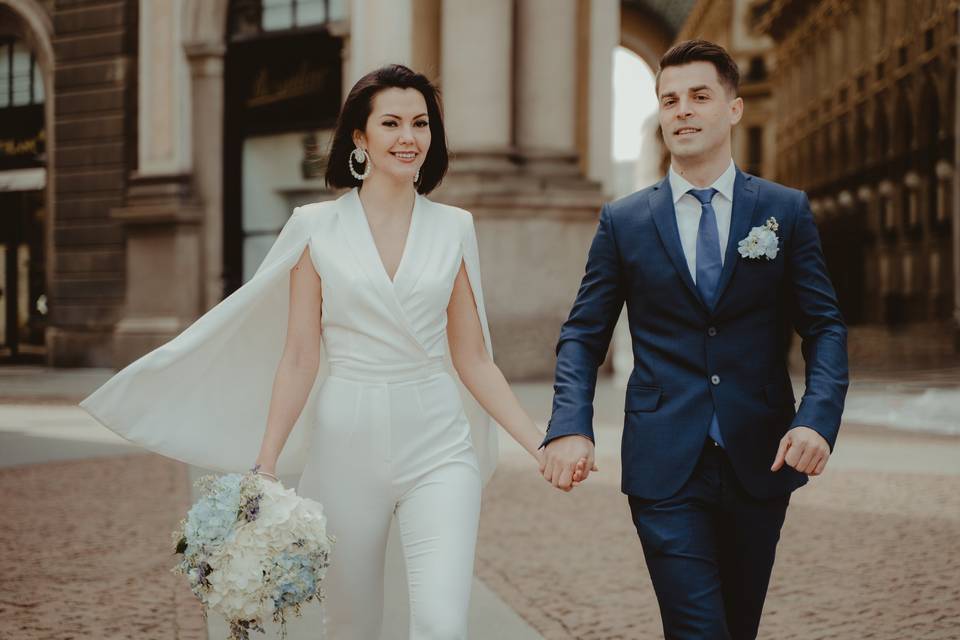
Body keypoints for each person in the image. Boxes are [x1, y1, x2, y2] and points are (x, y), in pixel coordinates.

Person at [80, 64, 582, 639]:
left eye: (420, 123)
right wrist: (265, 466)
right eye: (390, 123)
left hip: (440, 447)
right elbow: (299, 356)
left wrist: (539, 442)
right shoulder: (316, 227)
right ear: (360, 139)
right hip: (346, 448)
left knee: (443, 625)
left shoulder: (454, 227)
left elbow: (473, 357)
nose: (409, 137)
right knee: (351, 625)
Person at [539, 40, 849, 639]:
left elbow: (825, 326)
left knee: (737, 627)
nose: (681, 110)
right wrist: (569, 423)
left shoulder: (785, 211)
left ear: (733, 108)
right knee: (698, 630)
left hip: (762, 456)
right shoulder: (624, 221)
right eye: (669, 99)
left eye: (699, 96)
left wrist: (817, 419)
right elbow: (582, 333)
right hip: (664, 463)